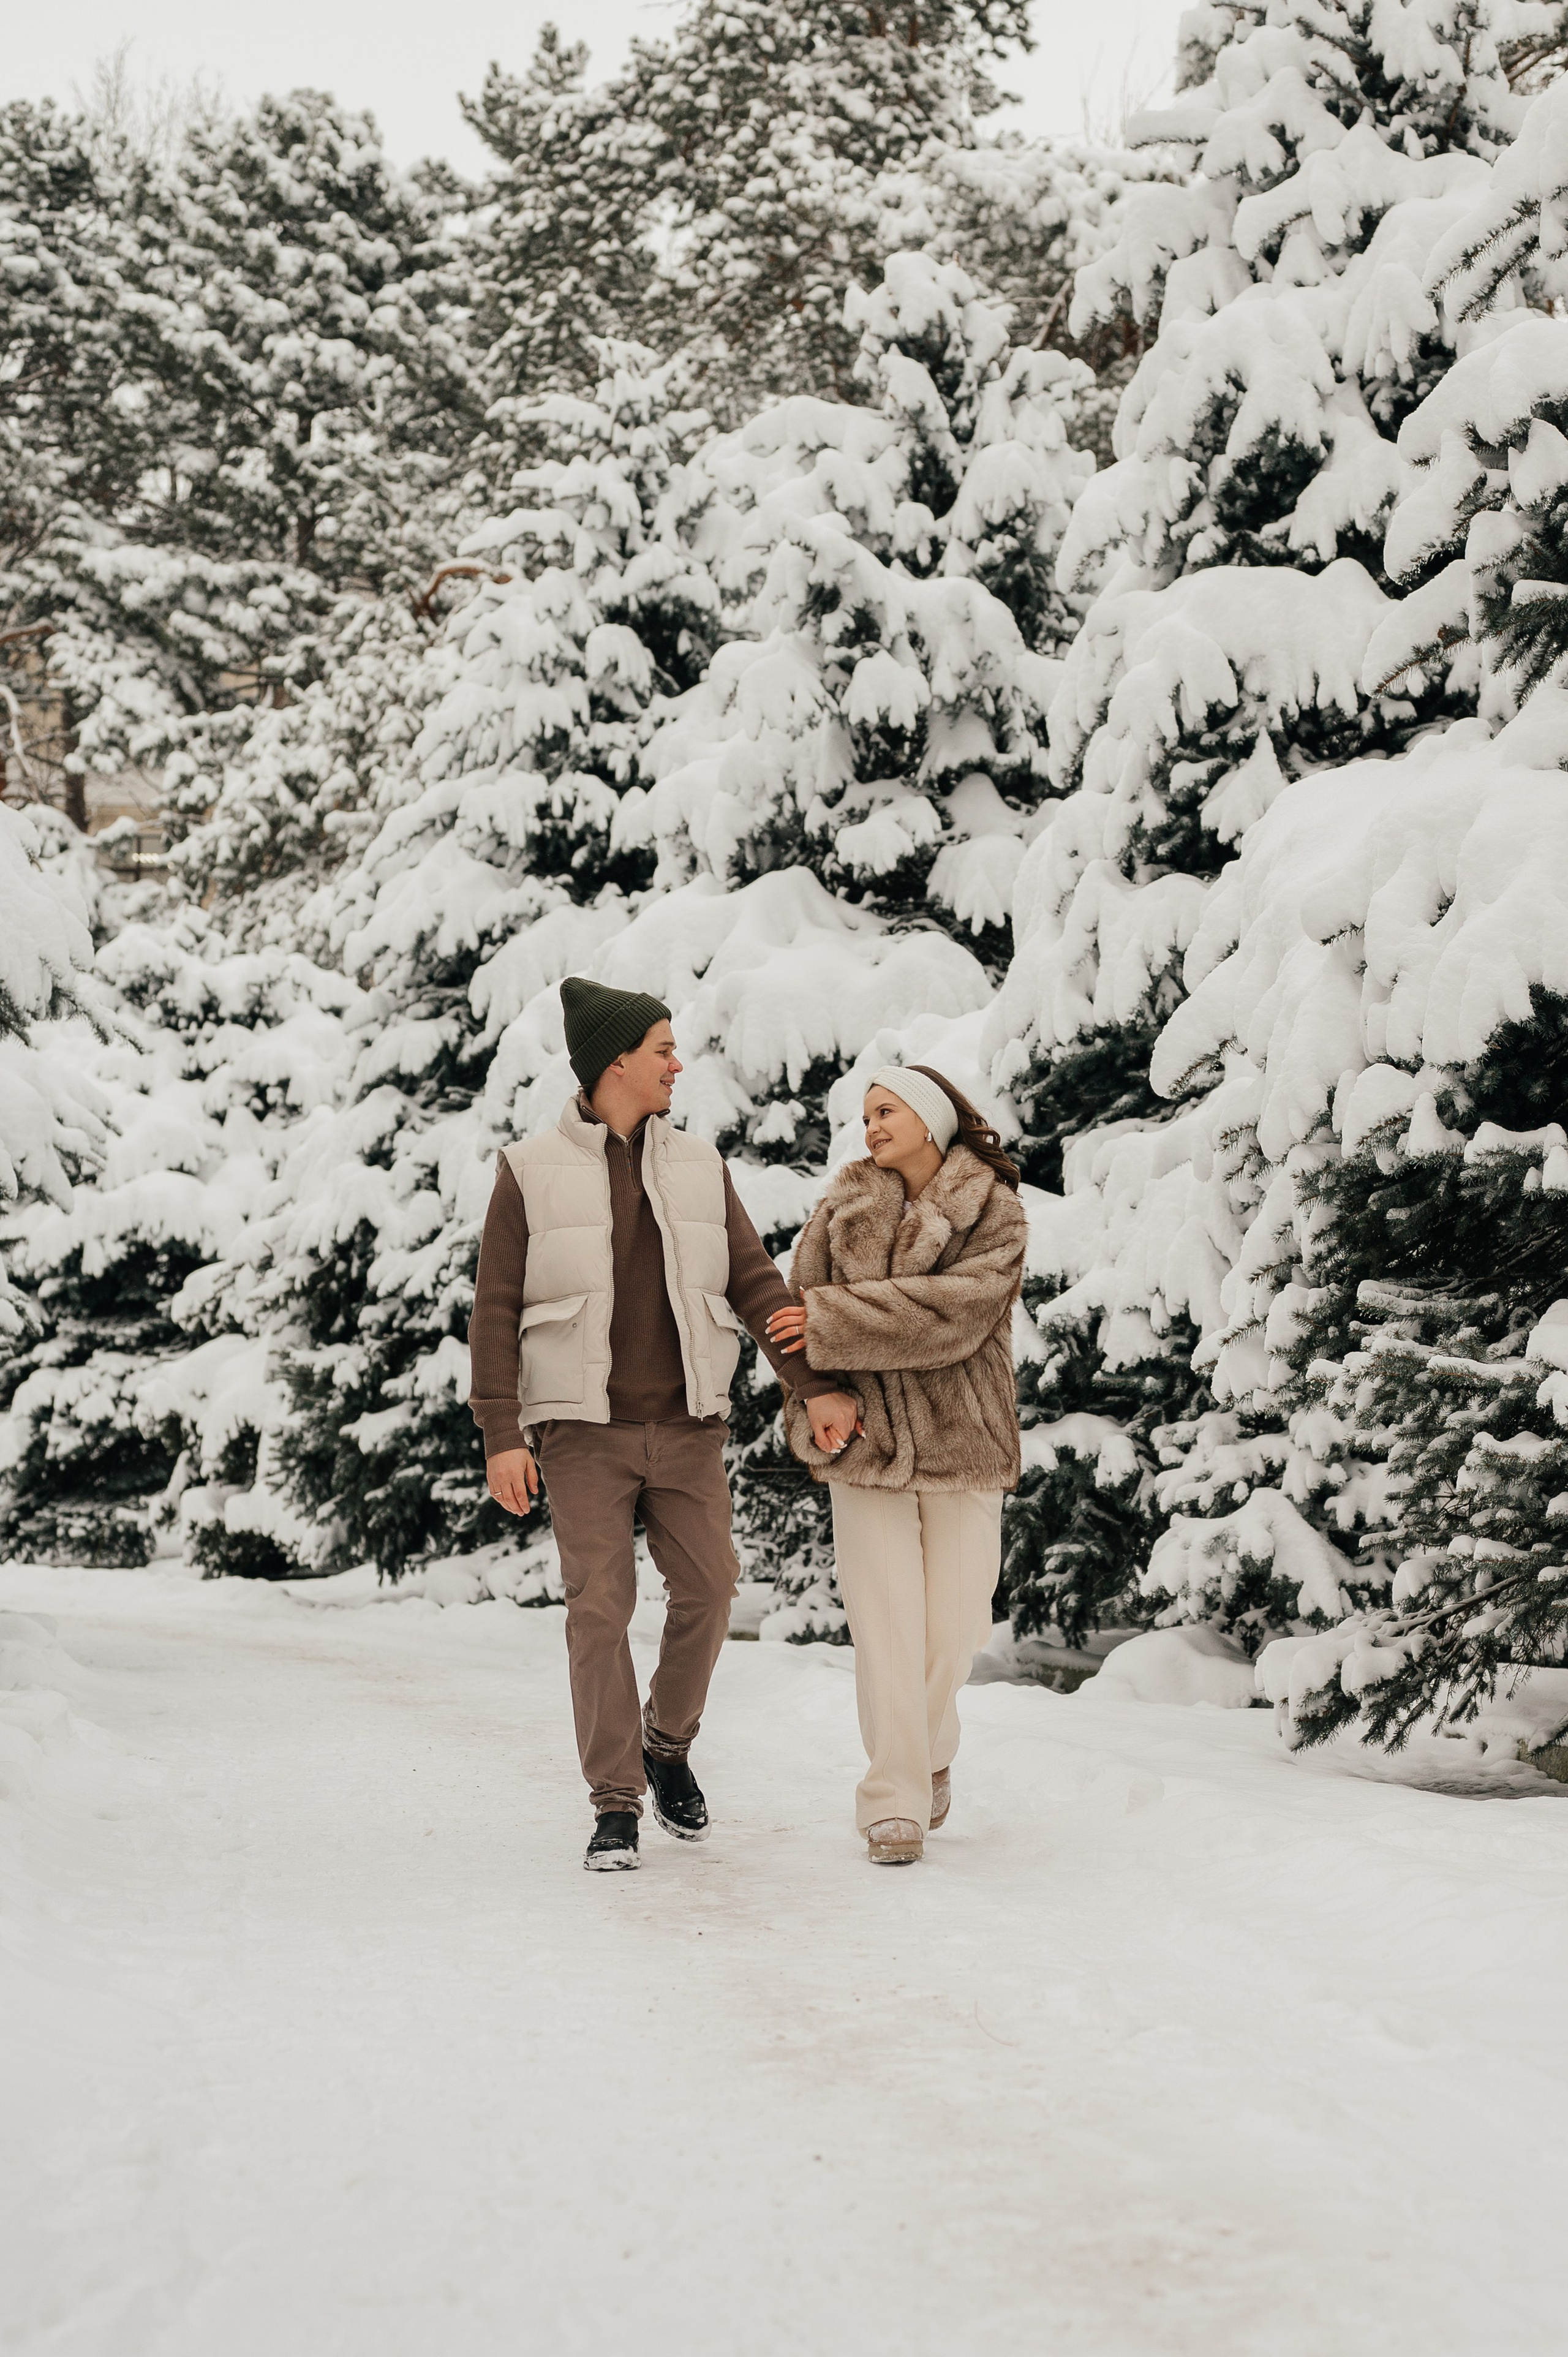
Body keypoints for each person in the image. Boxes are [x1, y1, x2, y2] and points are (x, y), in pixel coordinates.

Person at [469, 977, 861, 1872]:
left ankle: (667, 1744)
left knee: (712, 1589)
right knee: (599, 1611)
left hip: (687, 1425)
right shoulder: (528, 1169)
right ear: (615, 1063)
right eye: (661, 1050)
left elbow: (756, 1282)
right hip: (581, 1432)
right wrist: (501, 1434)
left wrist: (813, 1385)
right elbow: (494, 1310)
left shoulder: (697, 1166)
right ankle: (615, 1803)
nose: (676, 1065)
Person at [767, 1066, 1027, 1866]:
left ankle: (931, 1741)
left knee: (955, 1622)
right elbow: (789, 1326)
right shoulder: (841, 1208)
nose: (871, 1125)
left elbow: (958, 1314)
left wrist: (832, 1319)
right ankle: (894, 1798)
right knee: (884, 1622)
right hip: (865, 1439)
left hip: (965, 1438)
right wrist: (815, 1388)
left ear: (932, 1116)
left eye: (887, 1110)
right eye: (866, 1114)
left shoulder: (993, 1206)